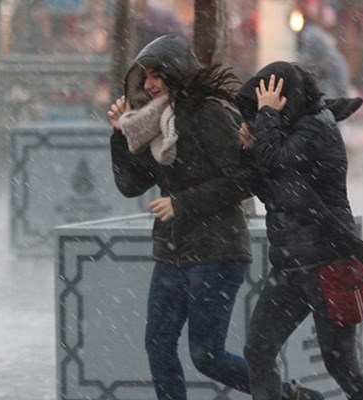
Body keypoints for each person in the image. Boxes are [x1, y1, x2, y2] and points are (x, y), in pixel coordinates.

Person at [107, 34, 261, 400]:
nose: (148, 85)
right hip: (172, 253)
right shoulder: (153, 122)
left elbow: (244, 179)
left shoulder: (210, 113)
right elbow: (131, 184)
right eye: (144, 77)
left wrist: (184, 203)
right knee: (158, 346)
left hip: (216, 252)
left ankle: (287, 395)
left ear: (176, 74)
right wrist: (118, 136)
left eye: (156, 75)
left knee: (207, 356)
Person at [235, 61, 363, 400]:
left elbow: (277, 161)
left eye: (269, 103)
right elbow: (269, 190)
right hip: (291, 266)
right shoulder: (286, 130)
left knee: (341, 365)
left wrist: (266, 121)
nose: (261, 113)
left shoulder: (317, 127)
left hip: (329, 263)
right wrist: (248, 151)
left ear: (287, 98)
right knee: (259, 350)